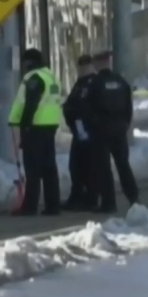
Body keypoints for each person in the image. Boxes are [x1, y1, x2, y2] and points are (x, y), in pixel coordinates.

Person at [7, 48, 63, 216]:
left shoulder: (34, 78)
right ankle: (53, 205)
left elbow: (31, 104)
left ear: (29, 62)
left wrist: (24, 125)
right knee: (49, 168)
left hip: (35, 126)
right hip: (50, 126)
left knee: (33, 169)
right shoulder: (51, 77)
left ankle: (30, 206)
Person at [84, 50, 139, 213]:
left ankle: (108, 203)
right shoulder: (121, 82)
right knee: (123, 165)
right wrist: (124, 124)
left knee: (104, 167)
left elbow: (87, 107)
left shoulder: (94, 83)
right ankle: (134, 198)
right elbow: (129, 107)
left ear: (99, 64)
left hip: (101, 130)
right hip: (119, 129)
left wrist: (92, 126)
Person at [62, 54, 98, 211]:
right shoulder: (80, 83)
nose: (81, 69)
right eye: (80, 66)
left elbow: (85, 107)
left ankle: (90, 196)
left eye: (84, 66)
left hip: (90, 131)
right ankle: (77, 195)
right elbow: (72, 104)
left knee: (89, 166)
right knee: (75, 166)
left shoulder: (93, 83)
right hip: (78, 130)